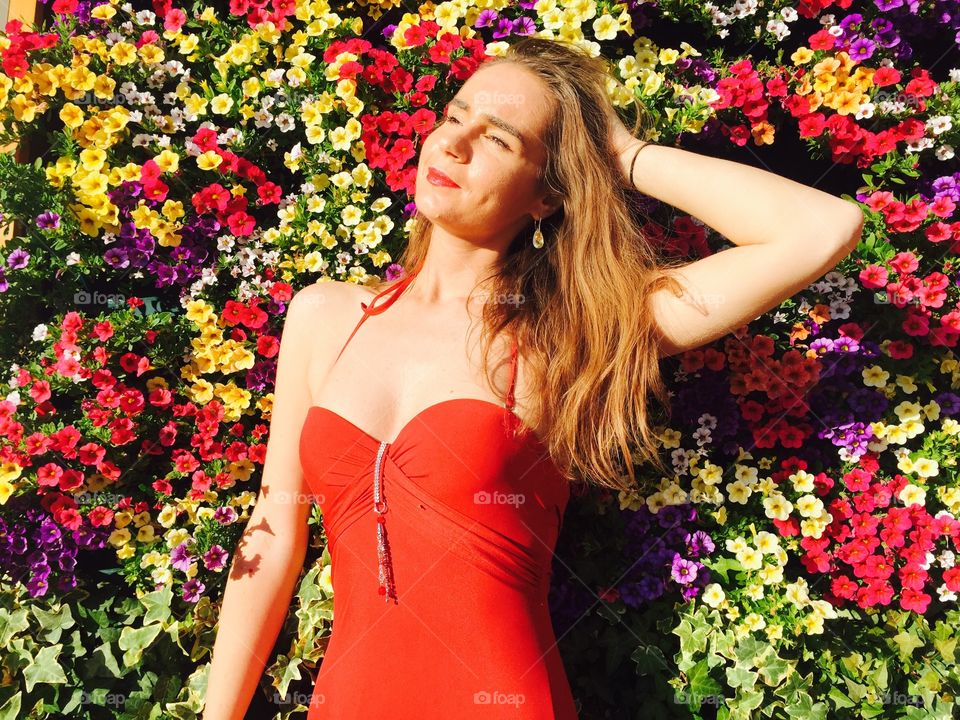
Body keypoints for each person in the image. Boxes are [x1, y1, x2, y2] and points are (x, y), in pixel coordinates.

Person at [202, 37, 863, 719]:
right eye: (455, 118)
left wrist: (622, 155)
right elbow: (276, 526)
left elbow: (821, 228)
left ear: (548, 194)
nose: (454, 146)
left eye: (499, 140)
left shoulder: (569, 333)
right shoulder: (325, 315)